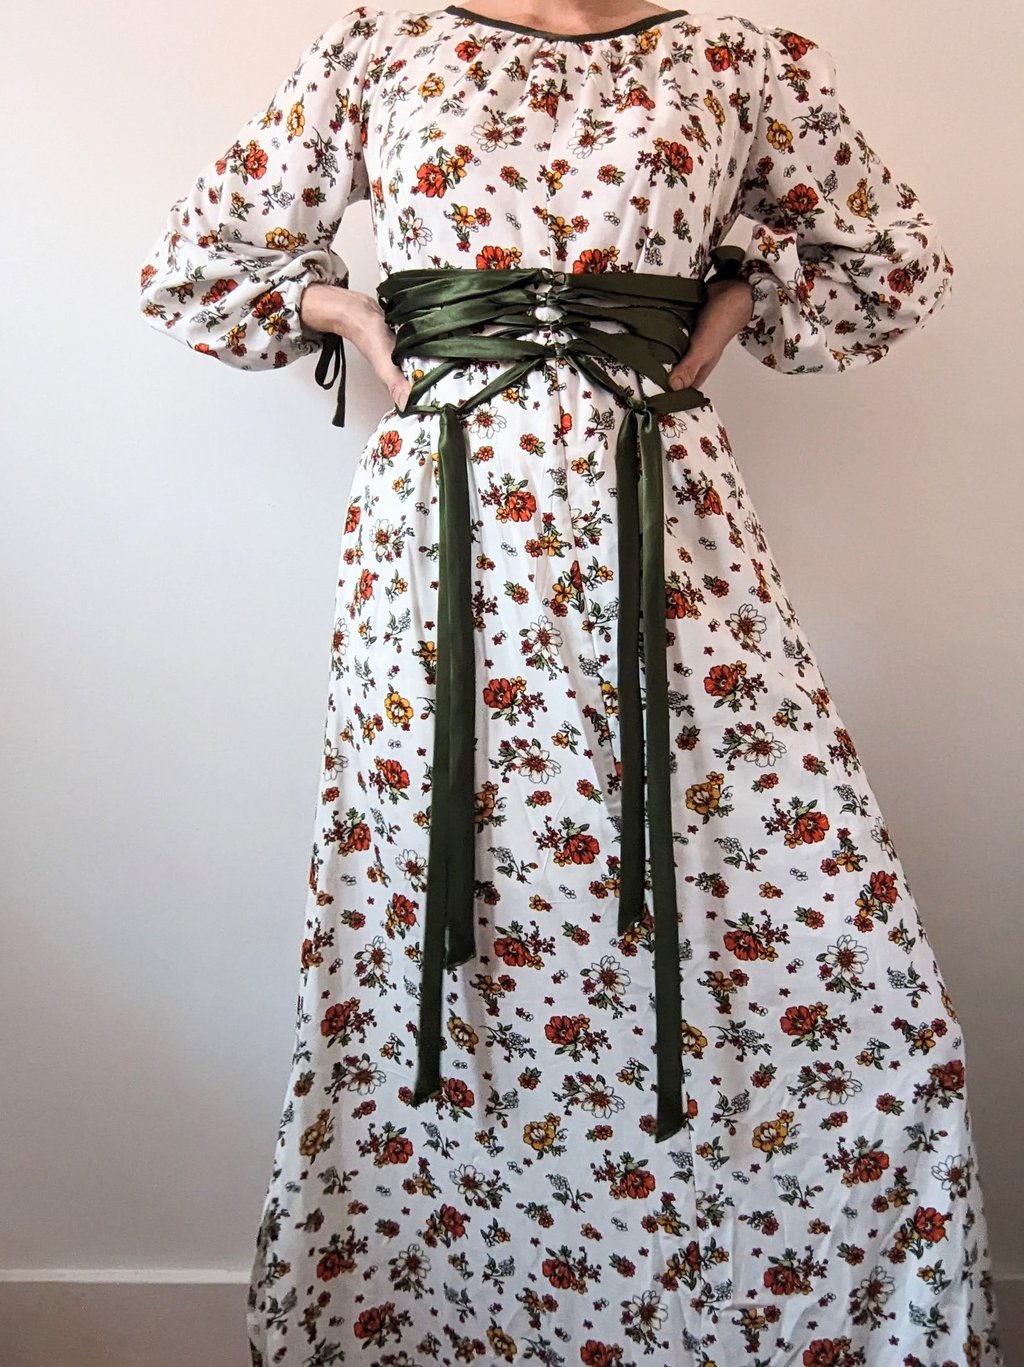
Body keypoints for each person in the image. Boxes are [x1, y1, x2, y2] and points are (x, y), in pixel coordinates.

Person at [138, 6, 1004, 1365]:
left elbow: (889, 263)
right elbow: (199, 262)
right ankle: (440, 1316)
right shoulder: (383, 45)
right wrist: (349, 307)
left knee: (786, 897)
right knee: (462, 894)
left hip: (668, 523)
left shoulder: (737, 57)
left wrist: (740, 287)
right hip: (444, 538)